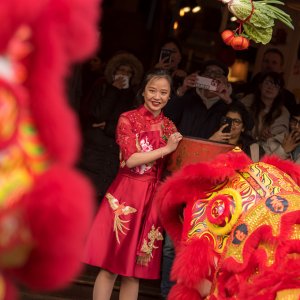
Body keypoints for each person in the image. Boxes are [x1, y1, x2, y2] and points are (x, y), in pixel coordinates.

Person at [83, 68, 183, 300]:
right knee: (110, 266)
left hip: (151, 199)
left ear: (169, 97)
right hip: (126, 195)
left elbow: (176, 164)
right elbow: (131, 159)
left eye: (163, 92)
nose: (157, 96)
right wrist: (166, 149)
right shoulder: (128, 119)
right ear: (143, 92)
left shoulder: (170, 127)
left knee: (134, 273)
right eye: (152, 90)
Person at [161, 59, 232, 299]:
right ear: (198, 76)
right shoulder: (188, 99)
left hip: (209, 184)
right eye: (208, 74)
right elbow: (165, 119)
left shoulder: (226, 107)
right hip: (179, 175)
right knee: (171, 242)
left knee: (195, 239)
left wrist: (227, 99)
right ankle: (164, 293)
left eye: (218, 75)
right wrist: (182, 90)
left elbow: (247, 124)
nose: (212, 78)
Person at [77, 52, 144, 203]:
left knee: (101, 200)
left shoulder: (134, 95)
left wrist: (108, 126)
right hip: (91, 152)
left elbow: (132, 127)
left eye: (128, 72)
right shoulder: (102, 86)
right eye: (121, 71)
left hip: (112, 155)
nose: (124, 75)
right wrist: (113, 90)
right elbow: (95, 115)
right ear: (113, 72)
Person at [240, 71, 289, 153]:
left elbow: (282, 135)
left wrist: (272, 137)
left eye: (275, 85)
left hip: (266, 150)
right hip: (242, 144)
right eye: (267, 83)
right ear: (260, 85)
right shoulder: (247, 101)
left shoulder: (283, 112)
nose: (270, 87)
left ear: (279, 91)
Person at [245, 48, 297, 113]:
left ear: (281, 68)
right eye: (266, 61)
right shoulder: (248, 89)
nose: (269, 65)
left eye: (274, 63)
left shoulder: (288, 98)